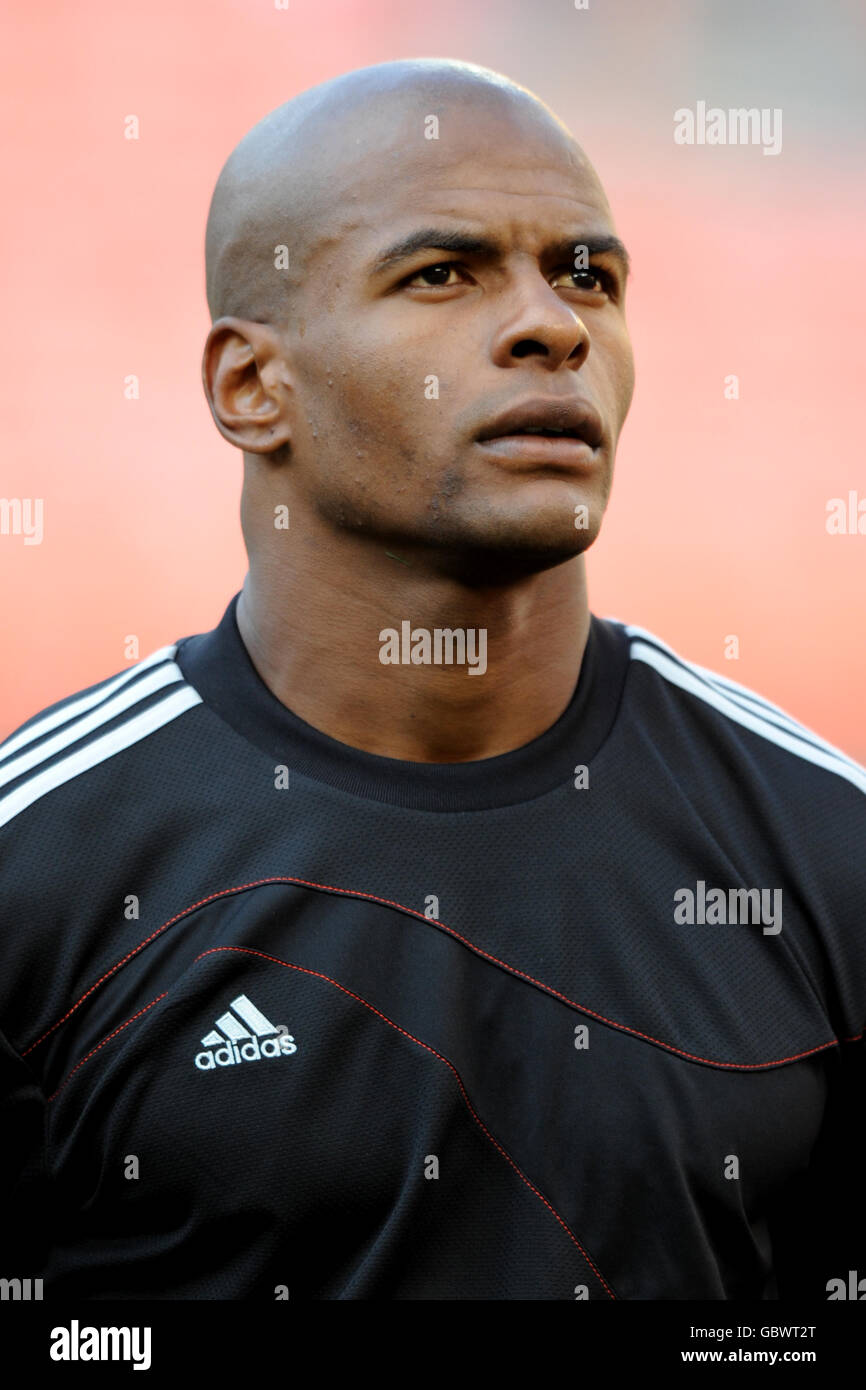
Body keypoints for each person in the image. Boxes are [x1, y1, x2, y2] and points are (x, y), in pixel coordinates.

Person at [1, 57, 863, 1302]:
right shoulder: (42, 872)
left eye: (587, 276)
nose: (552, 325)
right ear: (253, 387)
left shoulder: (820, 850)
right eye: (441, 273)